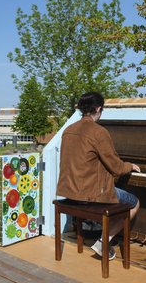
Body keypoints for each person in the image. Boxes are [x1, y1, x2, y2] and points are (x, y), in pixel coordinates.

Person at [57, 92, 141, 260]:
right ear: (98, 108)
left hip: (69, 191)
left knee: (117, 191)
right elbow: (116, 168)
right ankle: (104, 241)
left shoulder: (68, 130)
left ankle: (107, 237)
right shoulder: (99, 132)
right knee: (134, 203)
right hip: (89, 194)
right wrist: (130, 166)